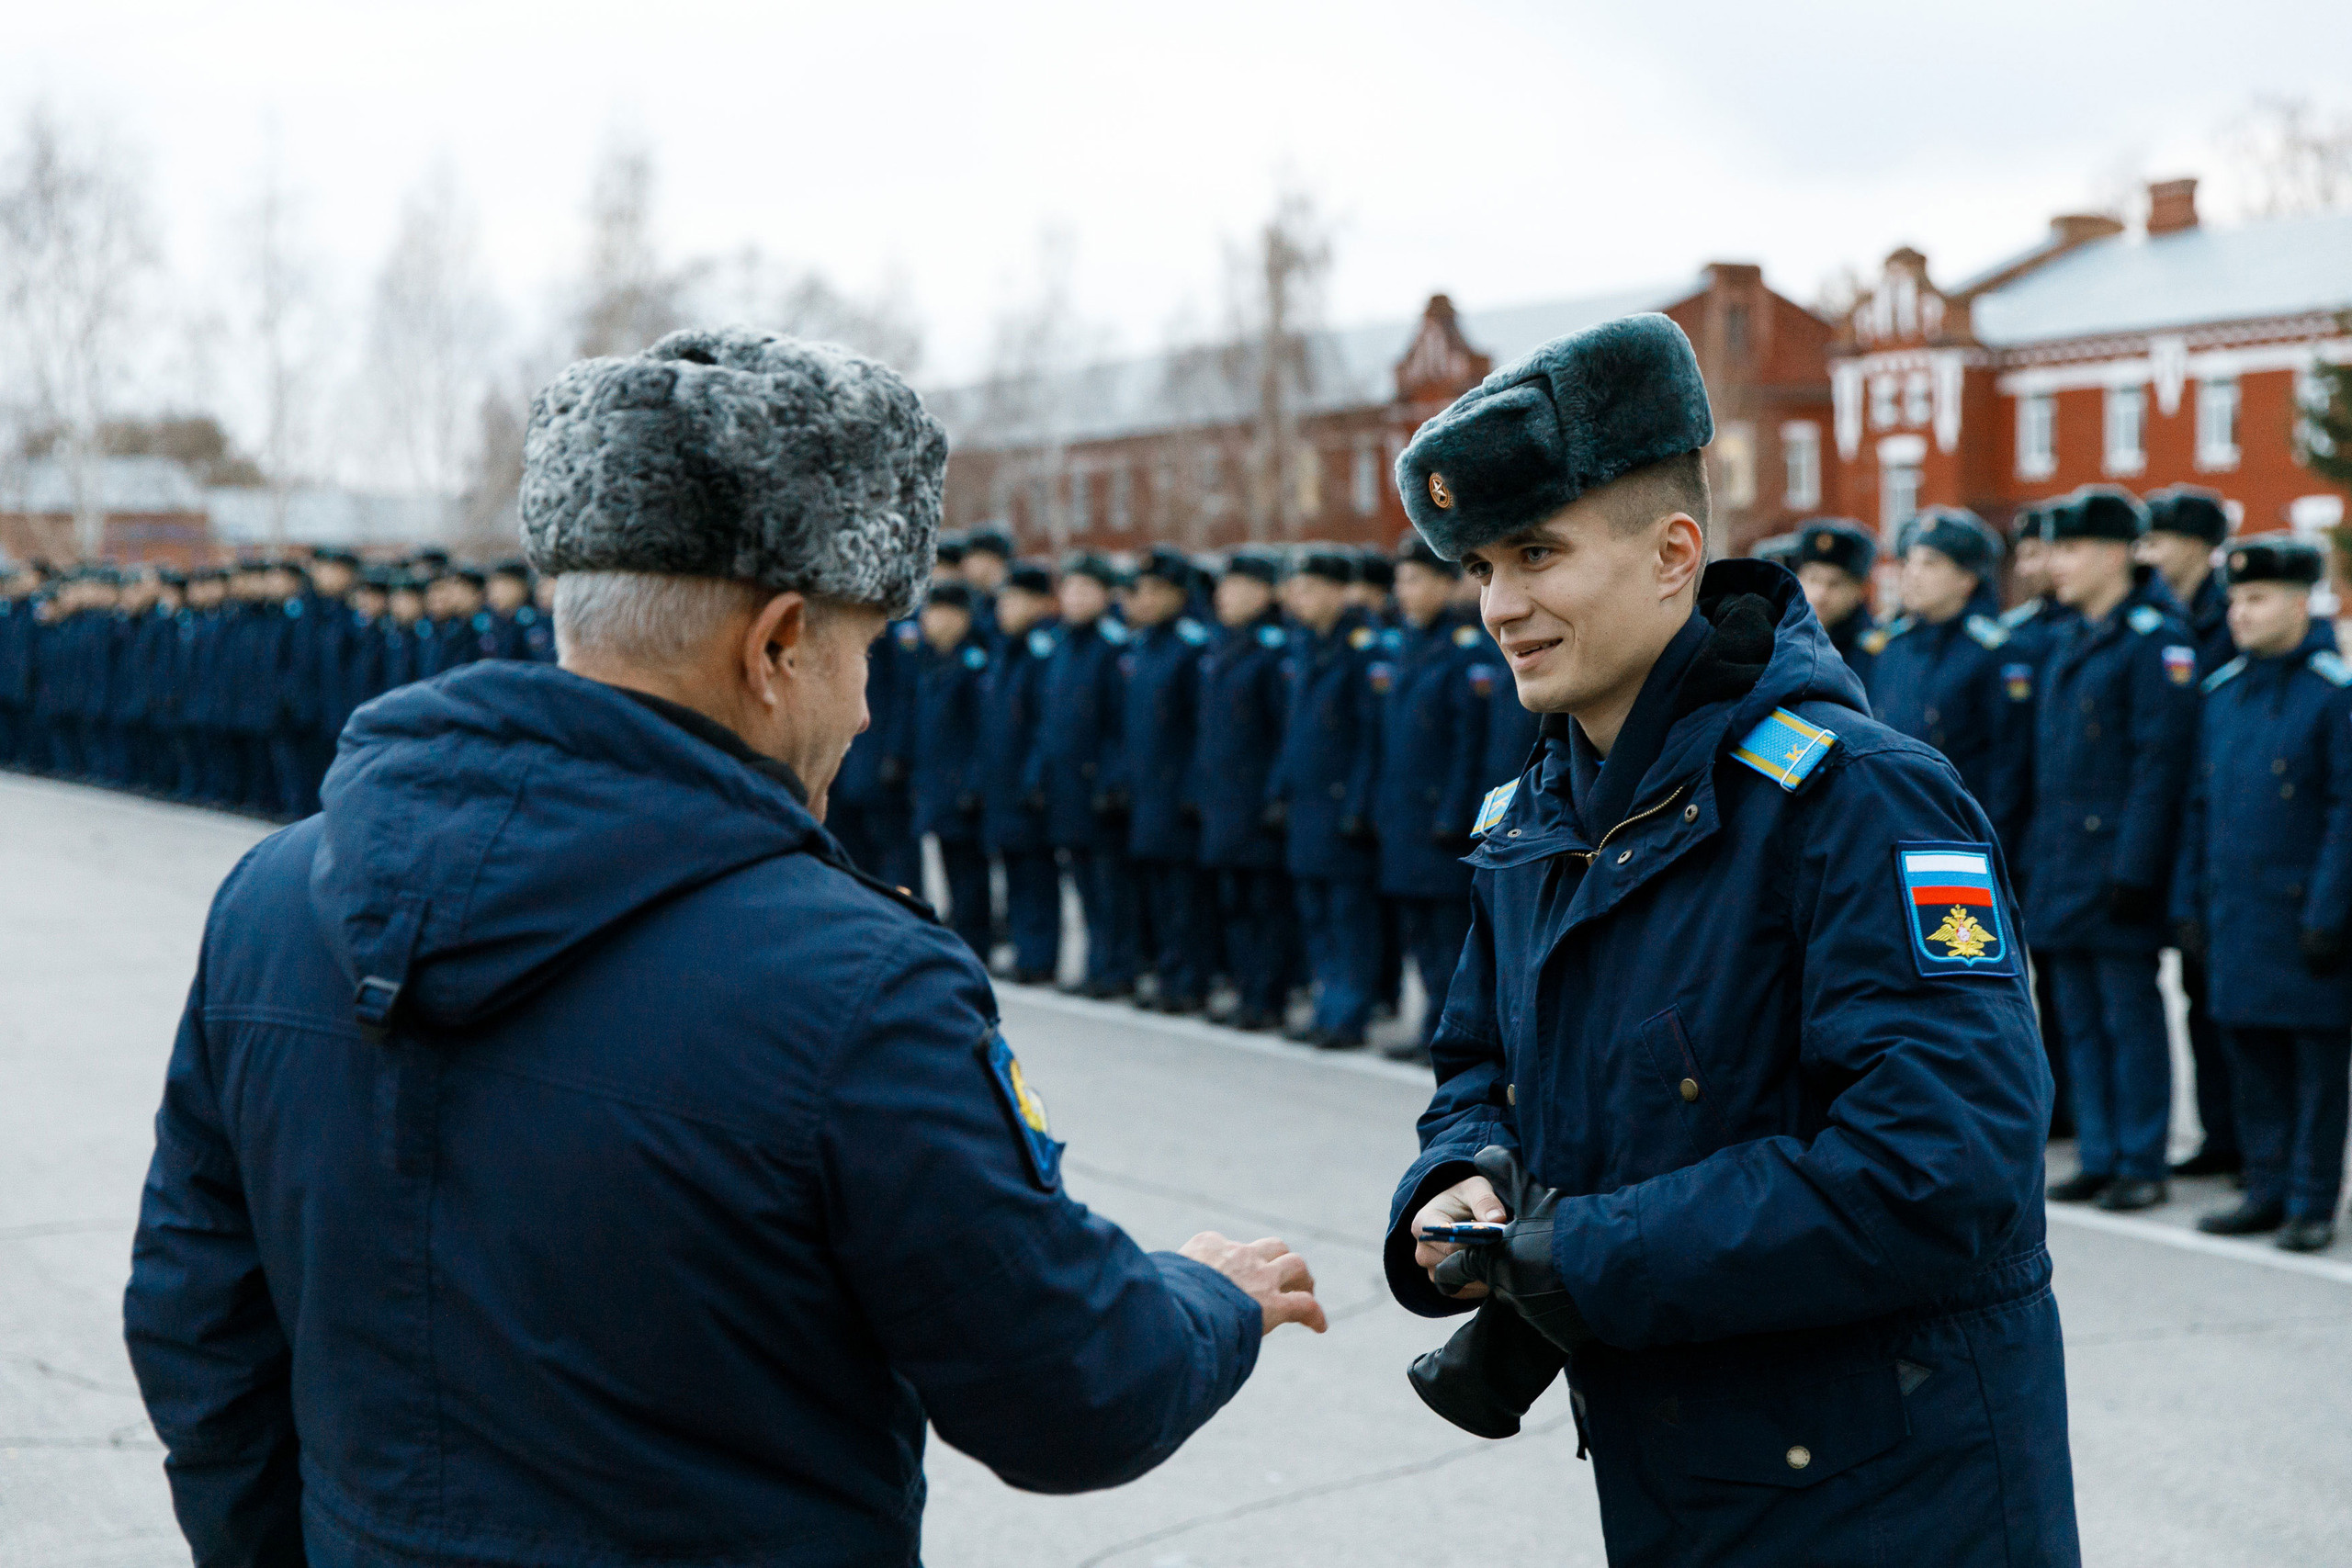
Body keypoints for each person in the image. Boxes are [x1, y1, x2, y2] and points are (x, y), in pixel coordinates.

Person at [123, 328, 1324, 1568]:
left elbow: (196, 1326)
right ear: (777, 646)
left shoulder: (270, 901)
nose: (864, 707)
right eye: (861, 656)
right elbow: (1071, 1390)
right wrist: (1208, 1296)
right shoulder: (857, 983)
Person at [1385, 313, 2075, 1563]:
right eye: (1482, 564)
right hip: (1681, 1472)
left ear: (1674, 552)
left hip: (1890, 1496)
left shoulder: (1861, 797)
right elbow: (1478, 1057)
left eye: (1537, 552)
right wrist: (1464, 1176)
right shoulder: (1541, 812)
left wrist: (1578, 1251)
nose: (1499, 603)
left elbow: (1946, 1163)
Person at [2174, 536, 2349, 1254]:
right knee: (2251, 1061)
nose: (2239, 613)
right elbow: (2201, 805)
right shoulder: (2225, 692)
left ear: (2302, 601)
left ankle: (2311, 1201)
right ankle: (2265, 1187)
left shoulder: (2332, 695)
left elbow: (2347, 811)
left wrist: (2331, 913)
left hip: (2306, 915)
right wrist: (2189, 901)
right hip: (2239, 914)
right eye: (2235, 600)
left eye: (2258, 598)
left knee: (2313, 1071)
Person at [2029, 487, 2199, 1213]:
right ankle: (2099, 1151)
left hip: (2114, 865)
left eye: (2068, 549)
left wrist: (2135, 867)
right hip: (2062, 859)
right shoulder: (2072, 636)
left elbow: (2160, 765)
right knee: (2076, 1013)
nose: (2054, 564)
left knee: (2128, 1016)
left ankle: (2141, 1155)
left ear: (2110, 554)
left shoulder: (2153, 638)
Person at [2139, 485, 2242, 1180]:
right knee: (2196, 999)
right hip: (2174, 824)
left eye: (2168, 537)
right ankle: (2216, 1133)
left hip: (2214, 821)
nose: (2154, 550)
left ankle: (2245, 1141)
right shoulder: (2157, 614)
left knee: (2225, 995)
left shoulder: (2230, 617)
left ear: (2203, 547)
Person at [1371, 534, 1489, 1063]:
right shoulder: (1401, 645)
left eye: (1416, 580)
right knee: (1417, 928)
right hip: (1403, 815)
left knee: (1450, 934)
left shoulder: (1465, 650)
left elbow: (1470, 746)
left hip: (1443, 816)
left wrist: (1455, 813)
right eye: (1401, 582)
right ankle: (1429, 1027)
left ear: (1446, 583)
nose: (1405, 592)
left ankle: (1453, 1032)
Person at [1866, 507, 2032, 849]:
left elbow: (2009, 766)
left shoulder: (1995, 652)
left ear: (1966, 578)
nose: (1912, 575)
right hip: (1888, 826)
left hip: (1960, 833)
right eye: (1909, 562)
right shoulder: (1892, 646)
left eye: (1930, 563)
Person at [1267, 547, 1380, 1049]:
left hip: (1341, 809)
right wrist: (1280, 790)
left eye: (1310, 588)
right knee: (1315, 916)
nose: (1299, 598)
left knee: (1348, 919)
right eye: (1296, 589)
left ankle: (1348, 1013)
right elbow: (1295, 733)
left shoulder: (1362, 649)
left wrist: (1357, 805)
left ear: (1338, 591)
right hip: (1307, 806)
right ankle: (1325, 1006)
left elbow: (1370, 737)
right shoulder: (1304, 646)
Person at [1193, 547, 1295, 1032]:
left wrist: (1276, 796)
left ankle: (1267, 996)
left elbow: (1285, 732)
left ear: (1263, 593)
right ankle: (1246, 989)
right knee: (1233, 903)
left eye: (1236, 587)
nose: (1224, 597)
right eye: (1222, 588)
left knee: (1265, 906)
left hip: (1256, 803)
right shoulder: (1219, 648)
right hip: (1222, 802)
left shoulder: (1273, 652)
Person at [1032, 553, 1136, 997]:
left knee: (1111, 887)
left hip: (1098, 787)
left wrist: (1111, 781)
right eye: (1068, 589)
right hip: (1066, 784)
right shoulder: (1059, 645)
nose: (1073, 599)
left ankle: (1115, 967)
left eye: (1084, 590)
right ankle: (1096, 964)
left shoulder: (1113, 648)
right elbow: (1048, 721)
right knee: (1083, 884)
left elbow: (1121, 725)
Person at [1119, 546, 1216, 1013]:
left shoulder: (1190, 647)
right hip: (1146, 793)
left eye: (1159, 589)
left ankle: (1188, 981)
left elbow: (1203, 729)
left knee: (1185, 899)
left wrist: (1195, 791)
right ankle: (1166, 974)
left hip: (1178, 796)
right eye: (1144, 589)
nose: (1148, 599)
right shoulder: (1141, 646)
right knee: (1156, 894)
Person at [978, 561, 1062, 983]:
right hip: (1001, 780)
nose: (1004, 609)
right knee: (1013, 868)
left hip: (1027, 784)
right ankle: (1025, 949)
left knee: (1035, 874)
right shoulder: (1004, 651)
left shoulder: (1040, 652)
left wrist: (1034, 777)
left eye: (1014, 601)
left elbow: (1045, 724)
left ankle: (1039, 954)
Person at [910, 580, 994, 959]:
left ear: (960, 617)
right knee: (949, 862)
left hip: (963, 788)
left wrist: (974, 785)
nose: (930, 621)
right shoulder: (933, 661)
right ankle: (962, 932)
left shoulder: (973, 663)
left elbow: (984, 732)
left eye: (940, 613)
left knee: (970, 870)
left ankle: (976, 940)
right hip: (938, 784)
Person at [1791, 517, 1882, 684]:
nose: (1820, 594)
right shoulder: (1784, 641)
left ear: (1858, 590)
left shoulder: (1878, 655)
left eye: (1834, 584)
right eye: (1813, 579)